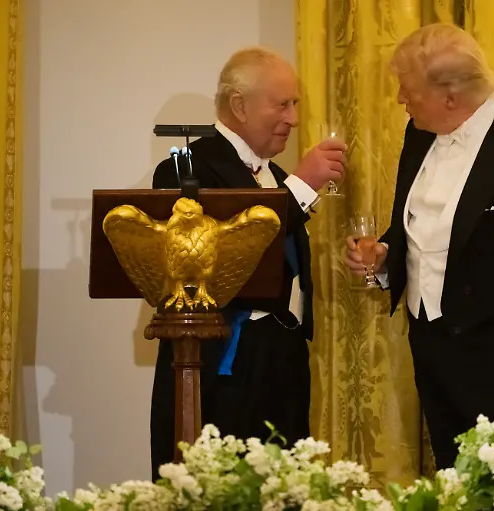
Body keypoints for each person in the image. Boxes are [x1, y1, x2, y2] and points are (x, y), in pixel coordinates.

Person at [345, 23, 494, 469]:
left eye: (408, 90)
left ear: (449, 98)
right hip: (438, 351)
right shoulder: (420, 131)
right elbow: (426, 225)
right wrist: (385, 256)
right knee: (456, 487)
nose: (400, 99)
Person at [150, 47, 346, 479]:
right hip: (222, 364)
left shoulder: (272, 174)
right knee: (222, 488)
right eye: (282, 104)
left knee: (284, 487)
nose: (293, 118)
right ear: (239, 105)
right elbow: (224, 256)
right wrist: (302, 185)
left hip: (283, 355)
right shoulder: (186, 170)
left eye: (294, 104)